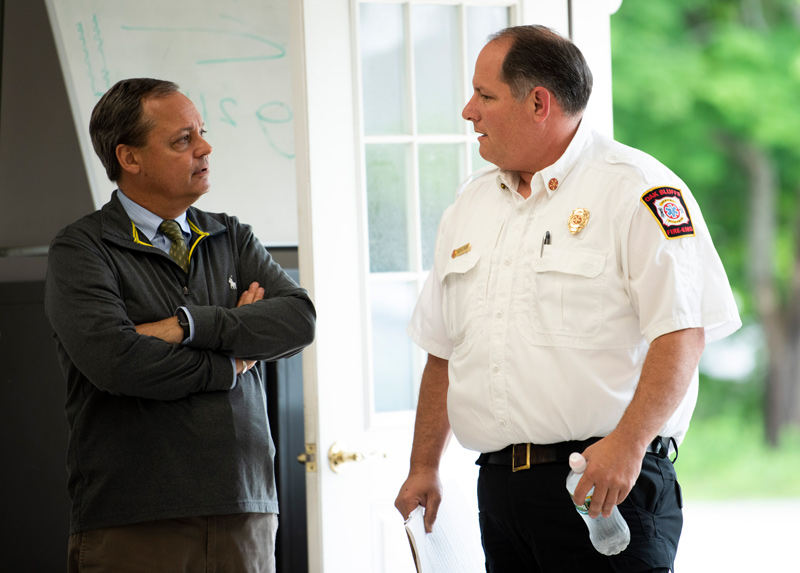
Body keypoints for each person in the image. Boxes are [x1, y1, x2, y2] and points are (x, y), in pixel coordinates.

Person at [394, 25, 741, 572]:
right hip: (501, 494)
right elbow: (443, 350)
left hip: (600, 486)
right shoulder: (471, 205)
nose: (468, 111)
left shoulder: (637, 190)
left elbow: (683, 332)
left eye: (484, 96)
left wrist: (627, 446)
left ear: (539, 103)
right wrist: (423, 466)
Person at [44, 78, 316, 572]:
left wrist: (188, 325)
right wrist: (232, 361)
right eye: (182, 140)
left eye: (201, 133)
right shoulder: (81, 249)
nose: (205, 148)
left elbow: (298, 321)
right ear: (130, 158)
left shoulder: (231, 234)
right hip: (135, 519)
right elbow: (117, 361)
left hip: (246, 511)